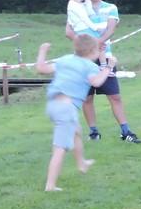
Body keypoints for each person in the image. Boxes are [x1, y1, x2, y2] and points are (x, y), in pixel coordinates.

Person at [64, 0, 141, 143]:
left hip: (104, 57)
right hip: (84, 59)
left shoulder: (110, 7)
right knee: (87, 97)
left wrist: (97, 44)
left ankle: (125, 131)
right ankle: (93, 132)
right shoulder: (77, 7)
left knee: (114, 96)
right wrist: (87, 45)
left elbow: (111, 29)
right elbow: (68, 32)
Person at [34, 36, 113, 191]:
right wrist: (108, 67)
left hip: (53, 105)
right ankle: (50, 185)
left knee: (76, 131)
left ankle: (81, 163)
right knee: (60, 148)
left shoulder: (66, 59)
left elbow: (41, 68)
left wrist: (42, 51)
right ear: (92, 51)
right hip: (66, 109)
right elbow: (96, 82)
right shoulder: (90, 66)